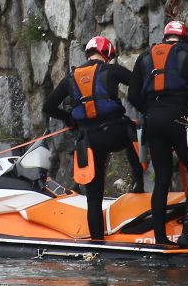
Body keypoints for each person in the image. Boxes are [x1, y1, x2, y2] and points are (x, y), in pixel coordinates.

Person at [42, 35, 145, 242]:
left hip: (89, 141)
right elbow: (138, 83)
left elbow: (48, 107)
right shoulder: (112, 70)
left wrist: (69, 118)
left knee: (94, 198)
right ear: (106, 53)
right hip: (116, 133)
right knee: (130, 128)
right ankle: (138, 181)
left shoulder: (70, 79)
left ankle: (97, 242)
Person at [129, 20, 188, 248]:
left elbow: (132, 95)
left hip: (153, 120)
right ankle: (187, 234)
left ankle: (159, 238)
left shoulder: (145, 56)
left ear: (165, 37)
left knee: (162, 178)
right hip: (179, 116)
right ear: (184, 37)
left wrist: (149, 110)